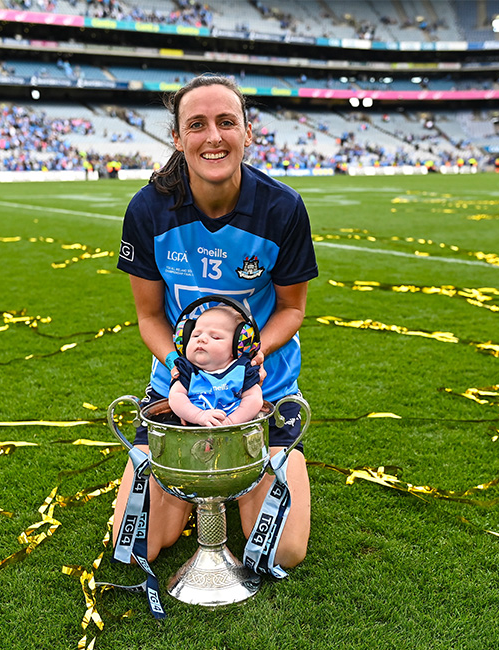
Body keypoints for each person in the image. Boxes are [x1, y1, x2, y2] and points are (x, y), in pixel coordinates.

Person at [113, 73, 318, 570]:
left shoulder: (283, 208)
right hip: (176, 391)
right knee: (135, 543)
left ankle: (280, 455)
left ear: (247, 132)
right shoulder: (147, 209)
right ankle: (199, 480)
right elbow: (148, 317)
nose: (213, 137)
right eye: (197, 125)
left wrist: (250, 358)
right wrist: (181, 368)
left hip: (261, 390)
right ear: (179, 138)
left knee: (283, 552)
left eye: (227, 122)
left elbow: (291, 309)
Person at [168, 305, 263, 427]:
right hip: (194, 429)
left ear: (237, 347)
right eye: (196, 335)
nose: (201, 339)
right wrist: (198, 416)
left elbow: (254, 399)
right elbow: (176, 397)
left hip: (235, 430)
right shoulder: (187, 370)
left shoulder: (242, 370)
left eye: (215, 337)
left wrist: (231, 422)